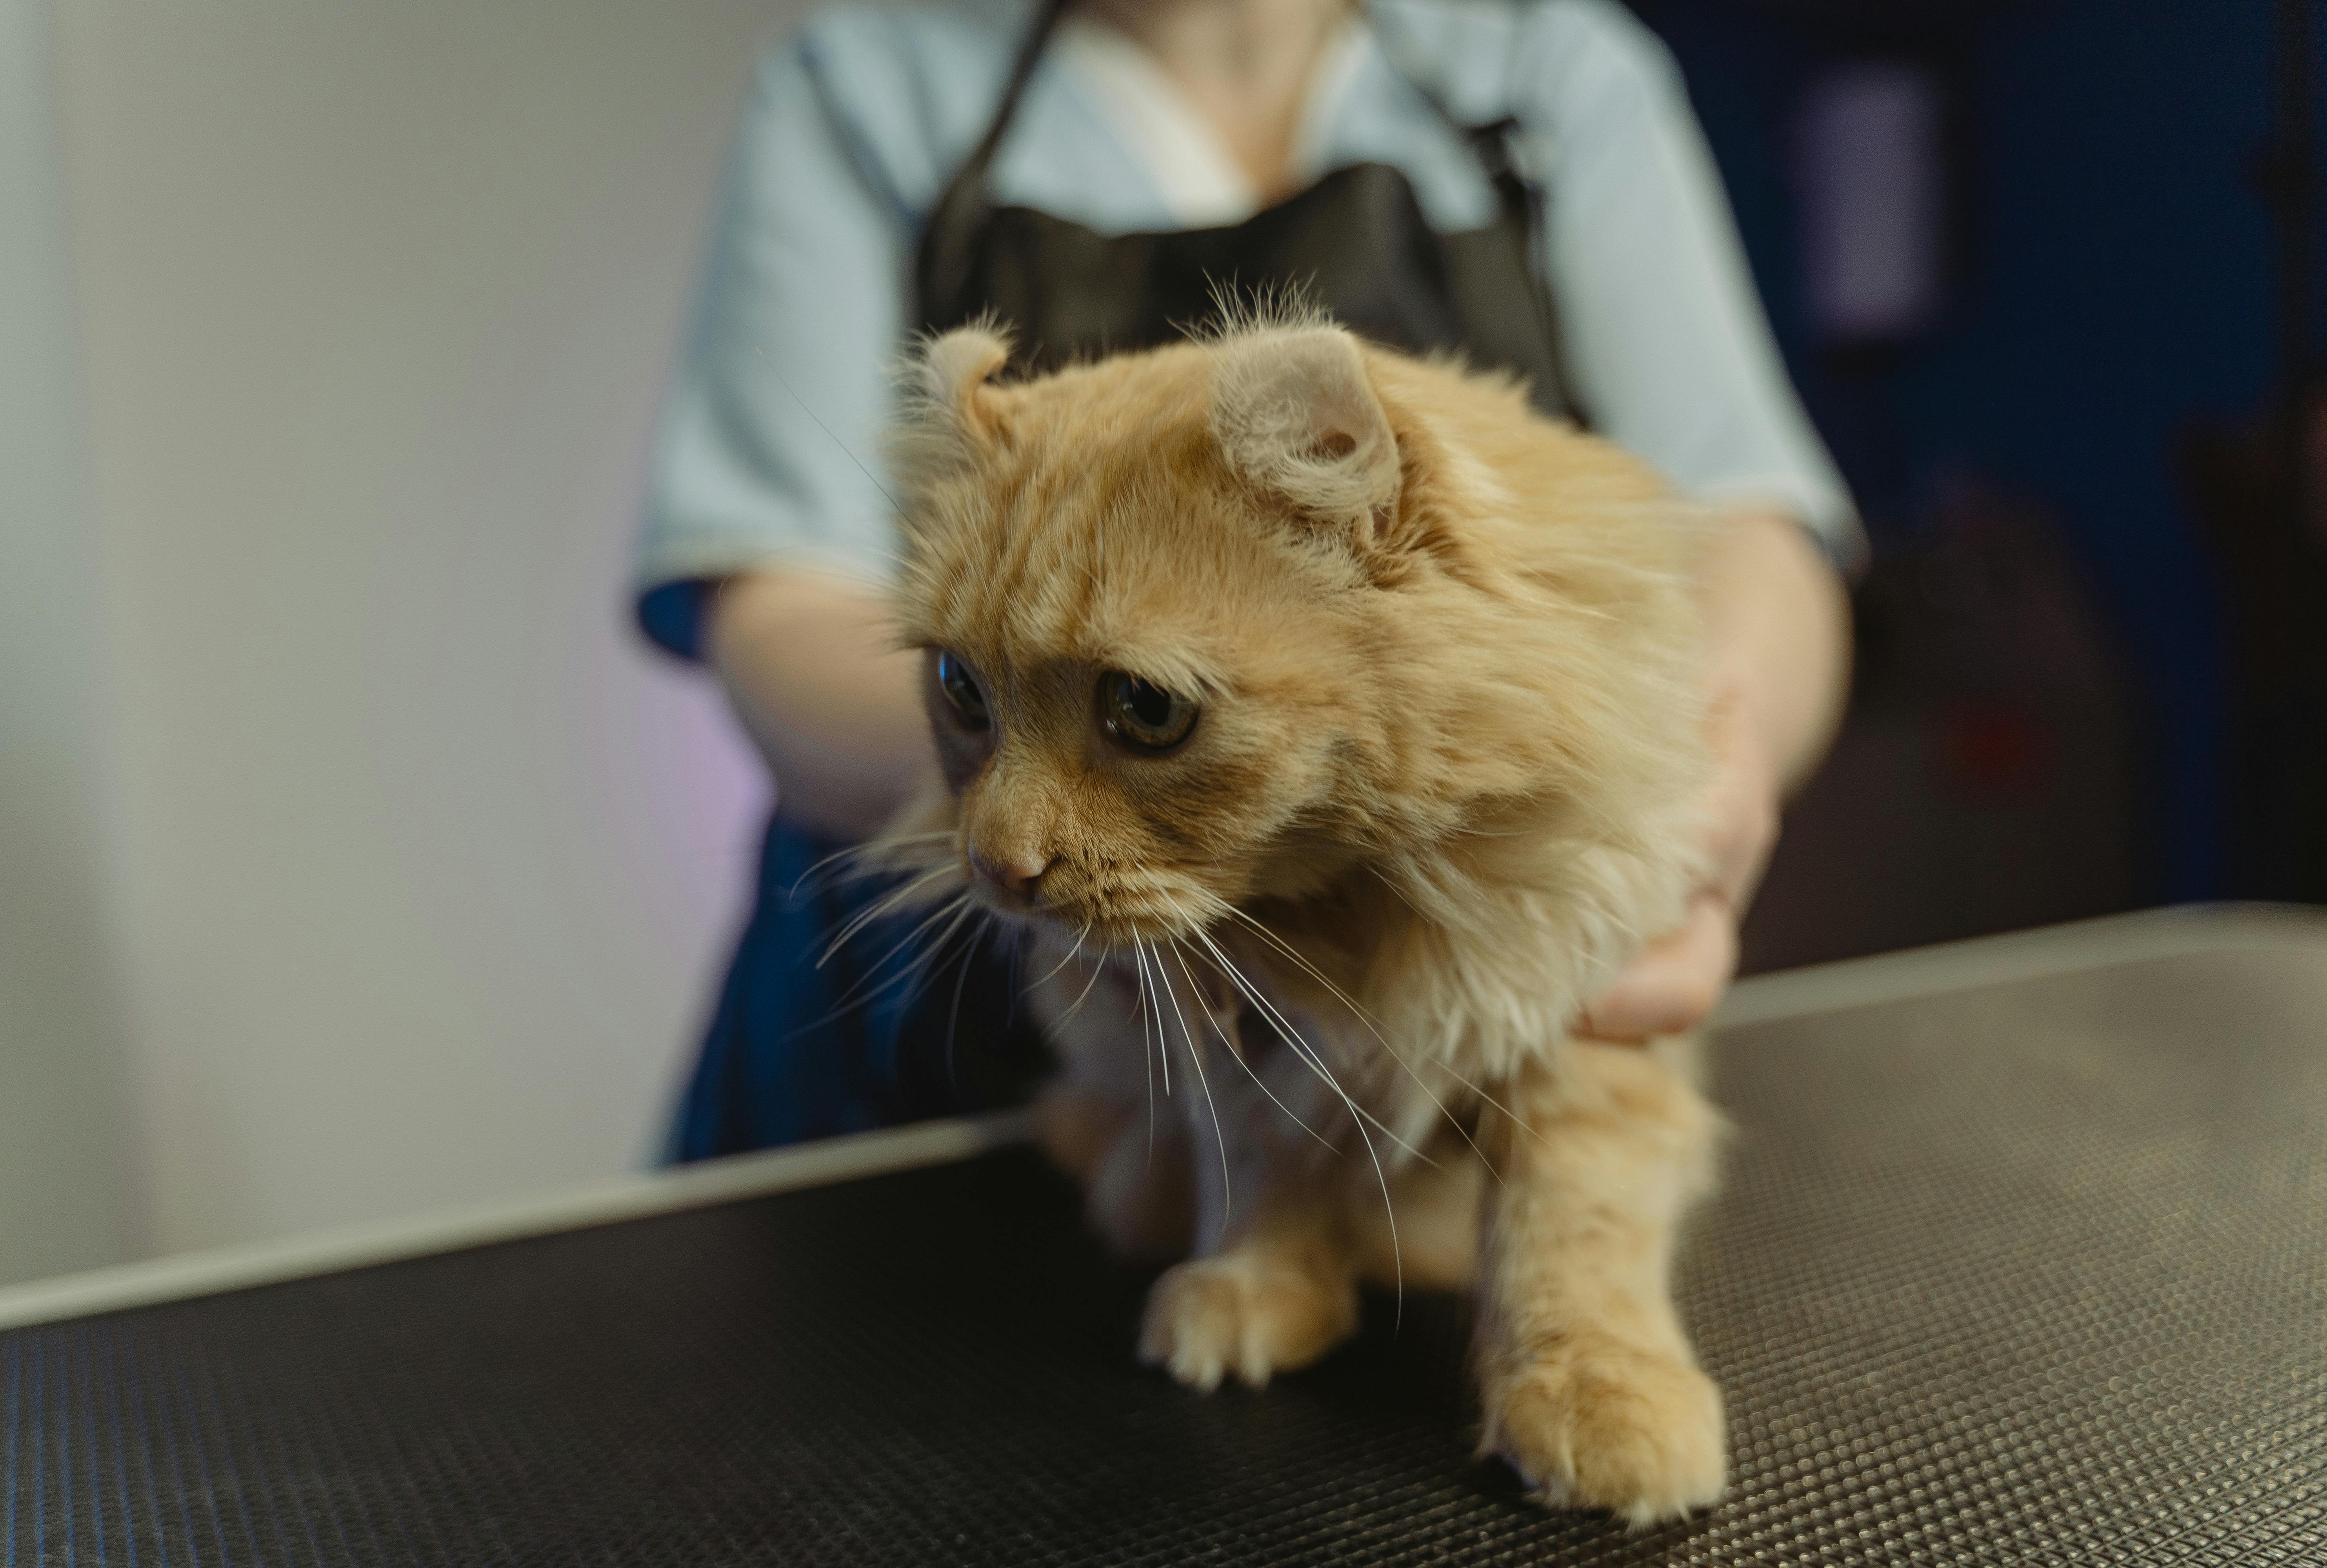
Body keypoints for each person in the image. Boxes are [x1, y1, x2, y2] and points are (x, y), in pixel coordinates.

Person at [636, 0, 1858, 1159]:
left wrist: (1687, 794)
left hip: (1446, 1039)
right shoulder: (864, 85)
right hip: (949, 1052)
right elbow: (780, 612)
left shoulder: (1542, 65)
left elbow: (1748, 528)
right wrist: (1110, 825)